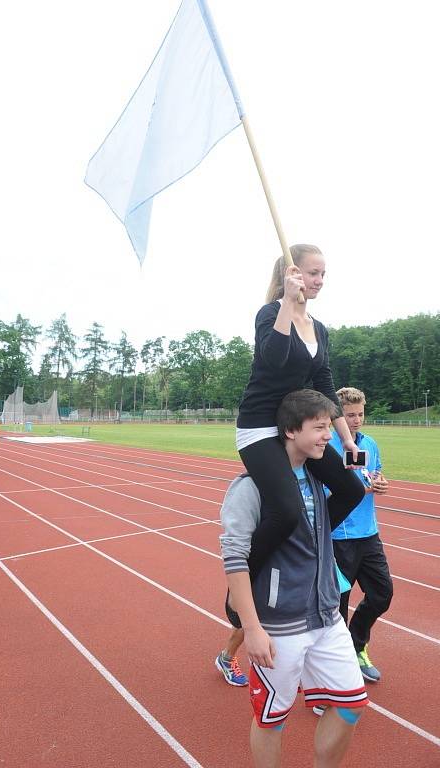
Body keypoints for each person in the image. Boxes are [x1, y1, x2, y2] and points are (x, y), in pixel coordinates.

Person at [220, 390, 367, 768]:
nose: (327, 435)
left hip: (327, 615)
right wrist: (251, 629)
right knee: (272, 719)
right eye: (319, 428)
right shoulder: (251, 486)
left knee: (351, 704)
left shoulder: (320, 478)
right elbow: (234, 558)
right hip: (281, 623)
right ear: (289, 430)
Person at [235, 245, 364, 583]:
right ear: (291, 274)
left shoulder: (319, 328)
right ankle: (243, 581)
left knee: (351, 490)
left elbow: (324, 382)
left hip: (296, 428)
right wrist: (287, 305)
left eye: (323, 274)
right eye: (313, 273)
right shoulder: (269, 313)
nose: (319, 280)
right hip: (261, 427)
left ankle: (304, 543)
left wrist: (347, 439)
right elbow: (273, 358)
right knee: (286, 512)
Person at [329, 387, 392, 683]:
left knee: (382, 594)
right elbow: (324, 491)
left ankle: (357, 646)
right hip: (339, 537)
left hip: (369, 534)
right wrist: (358, 489)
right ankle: (338, 666)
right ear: (337, 416)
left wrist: (380, 482)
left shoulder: (371, 444)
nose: (356, 420)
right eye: (350, 415)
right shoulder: (328, 446)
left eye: (360, 414)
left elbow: (375, 472)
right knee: (338, 605)